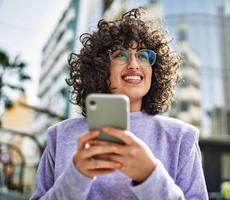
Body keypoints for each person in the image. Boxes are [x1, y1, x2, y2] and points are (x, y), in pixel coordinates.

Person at [30, 7, 208, 200]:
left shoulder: (181, 138)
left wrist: (150, 175)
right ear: (100, 67)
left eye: (144, 56)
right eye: (121, 55)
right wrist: (76, 175)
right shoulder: (60, 135)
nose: (134, 64)